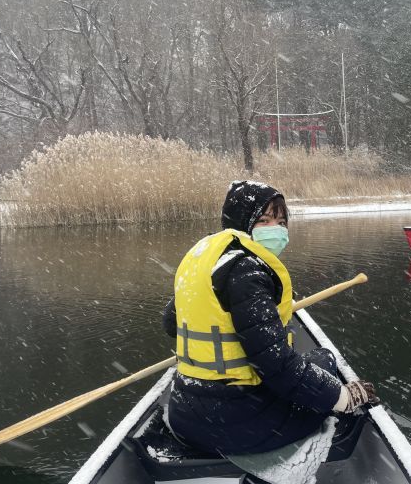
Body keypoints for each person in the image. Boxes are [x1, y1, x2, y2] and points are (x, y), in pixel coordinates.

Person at [162, 180, 379, 456]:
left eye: (280, 221)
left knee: (319, 362)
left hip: (184, 411)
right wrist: (344, 397)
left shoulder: (204, 260)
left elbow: (170, 324)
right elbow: (276, 366)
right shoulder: (247, 271)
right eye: (263, 221)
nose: (275, 230)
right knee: (325, 362)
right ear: (241, 223)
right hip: (231, 425)